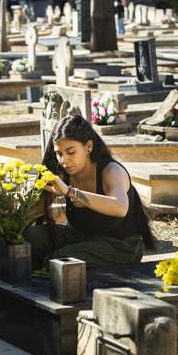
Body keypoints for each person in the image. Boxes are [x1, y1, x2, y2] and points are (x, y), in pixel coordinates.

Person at [24, 115, 156, 269]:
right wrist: (13, 228)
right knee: (30, 239)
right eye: (59, 154)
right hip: (80, 235)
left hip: (120, 245)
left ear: (88, 147)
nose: (64, 160)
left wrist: (70, 192)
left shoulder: (111, 171)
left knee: (59, 261)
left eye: (71, 152)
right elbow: (35, 209)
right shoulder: (62, 174)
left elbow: (120, 208)